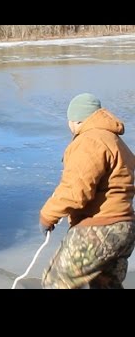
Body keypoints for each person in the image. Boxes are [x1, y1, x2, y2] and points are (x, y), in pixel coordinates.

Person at [39, 93, 135, 289]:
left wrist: (48, 215)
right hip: (124, 228)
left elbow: (75, 191)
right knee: (106, 284)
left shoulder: (89, 141)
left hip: (98, 229)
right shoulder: (115, 141)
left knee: (56, 282)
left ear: (75, 120)